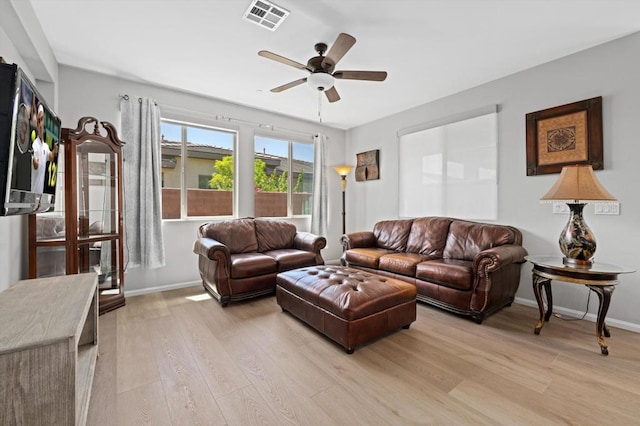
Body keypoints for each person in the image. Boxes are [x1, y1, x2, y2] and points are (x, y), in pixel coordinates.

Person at [31, 104, 58, 193]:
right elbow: (35, 165)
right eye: (39, 121)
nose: (40, 124)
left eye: (42, 120)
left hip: (41, 195)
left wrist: (54, 149)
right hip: (33, 194)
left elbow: (50, 157)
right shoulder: (34, 144)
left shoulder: (45, 146)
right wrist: (35, 161)